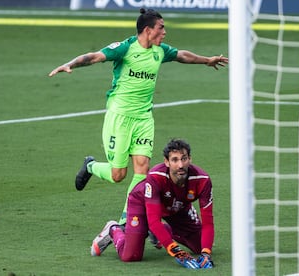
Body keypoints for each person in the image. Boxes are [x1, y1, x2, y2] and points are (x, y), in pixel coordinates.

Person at [48, 8, 228, 226]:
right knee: (118, 175)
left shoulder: (159, 51)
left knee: (142, 167)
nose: (164, 32)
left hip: (144, 118)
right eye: (161, 28)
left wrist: (206, 60)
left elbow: (182, 55)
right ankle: (91, 166)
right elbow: (94, 56)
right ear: (147, 29)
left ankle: (128, 217)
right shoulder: (125, 48)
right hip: (120, 117)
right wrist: (71, 64)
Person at [91, 139, 215, 269]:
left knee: (200, 246)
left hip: (178, 207)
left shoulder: (203, 180)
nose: (180, 165)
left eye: (184, 159)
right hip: (142, 203)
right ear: (166, 162)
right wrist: (175, 250)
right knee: (130, 256)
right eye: (175, 160)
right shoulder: (155, 177)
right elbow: (154, 220)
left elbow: (208, 222)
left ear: (190, 159)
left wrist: (206, 254)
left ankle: (160, 232)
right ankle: (114, 229)